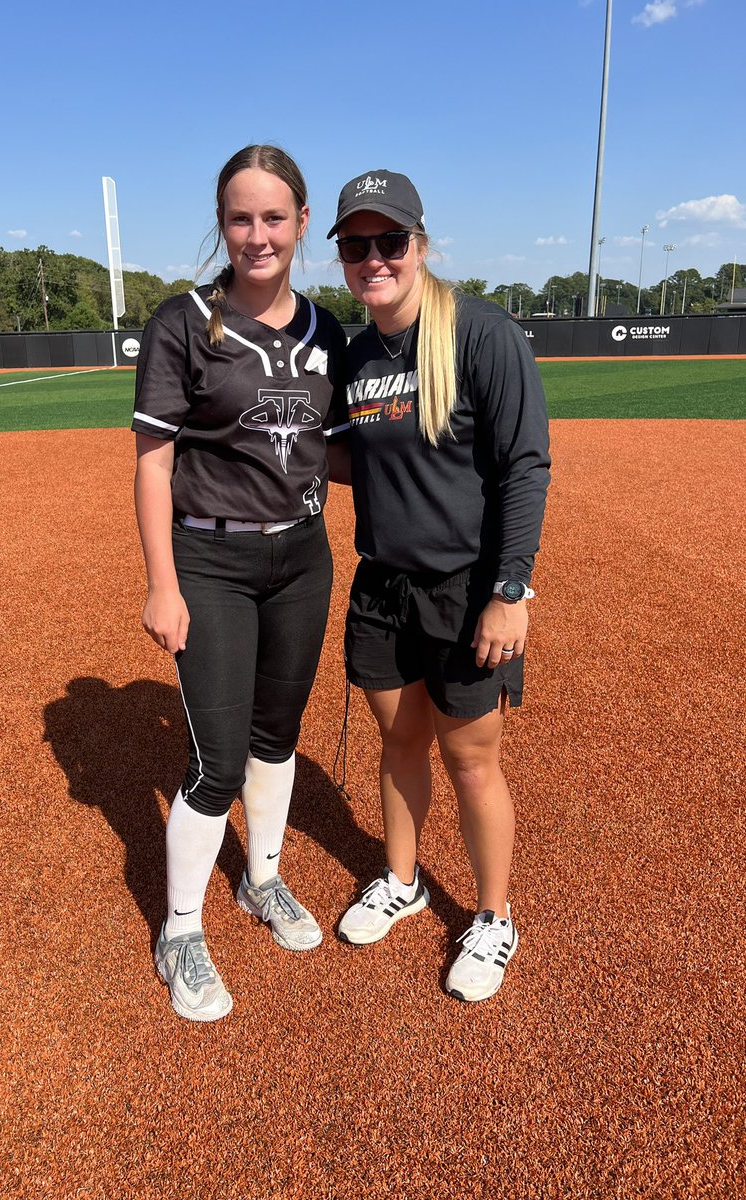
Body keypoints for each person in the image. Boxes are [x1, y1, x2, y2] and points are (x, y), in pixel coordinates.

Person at [132, 145, 349, 1022]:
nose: (257, 235)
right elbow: (153, 463)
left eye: (273, 217)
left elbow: (331, 450)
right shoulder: (184, 322)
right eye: (239, 217)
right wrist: (162, 583)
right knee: (217, 761)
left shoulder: (327, 330)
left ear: (302, 224)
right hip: (211, 561)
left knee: (277, 734)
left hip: (302, 555)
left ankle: (262, 878)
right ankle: (181, 929)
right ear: (221, 225)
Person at [328, 170, 550, 1002]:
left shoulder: (480, 335)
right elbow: (362, 459)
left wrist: (510, 590)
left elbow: (525, 466)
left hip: (466, 591)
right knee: (399, 741)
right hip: (383, 587)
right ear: (344, 257)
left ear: (420, 244)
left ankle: (493, 919)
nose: (375, 258)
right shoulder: (357, 353)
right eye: (358, 245)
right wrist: (278, 446)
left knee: (471, 758)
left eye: (390, 242)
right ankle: (403, 878)